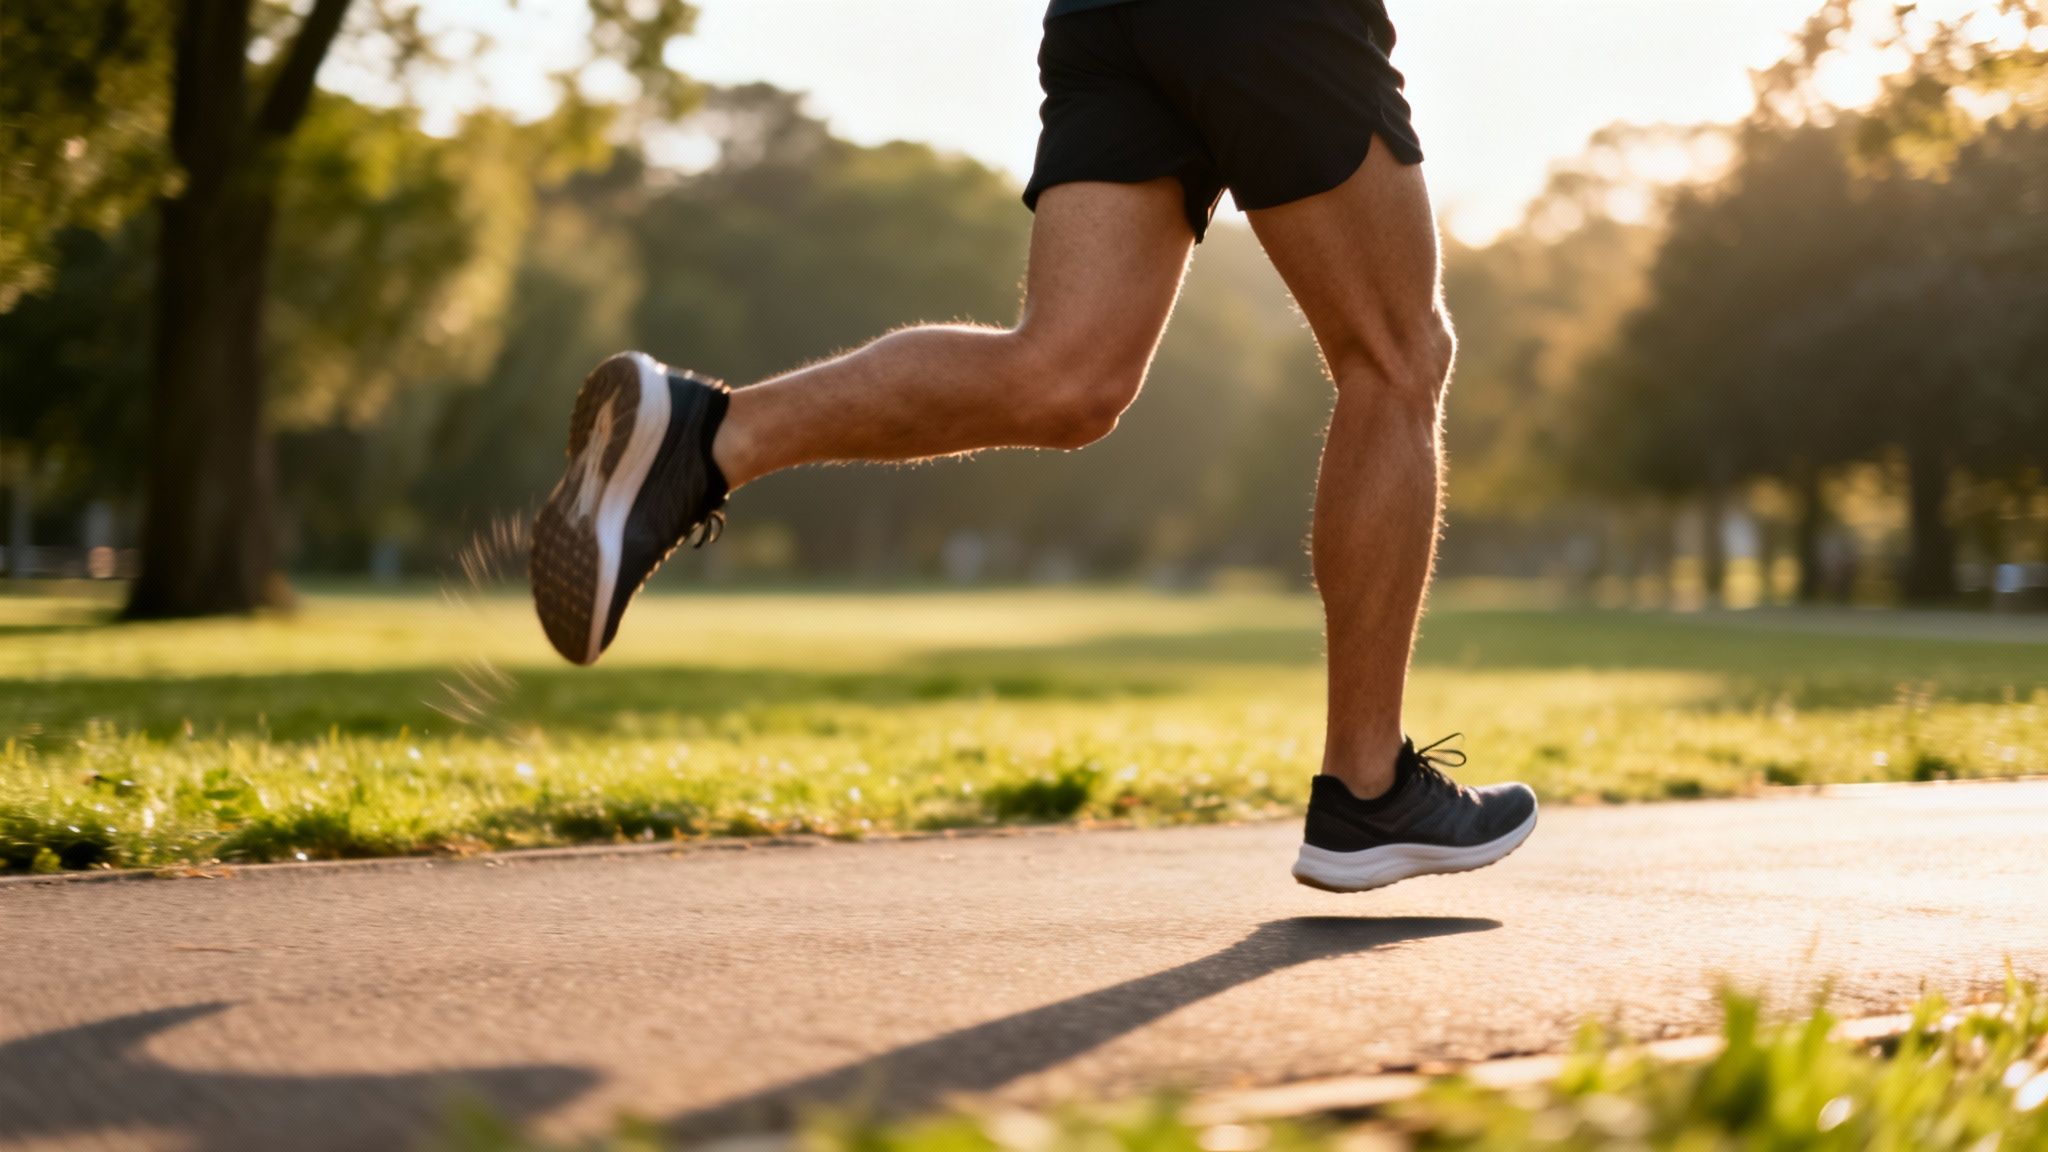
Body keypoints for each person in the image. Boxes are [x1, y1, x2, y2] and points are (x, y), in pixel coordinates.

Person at [528, 0, 1536, 893]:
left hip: (1105, 18)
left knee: (1066, 377)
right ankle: (1367, 787)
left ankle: (706, 436)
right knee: (1398, 357)